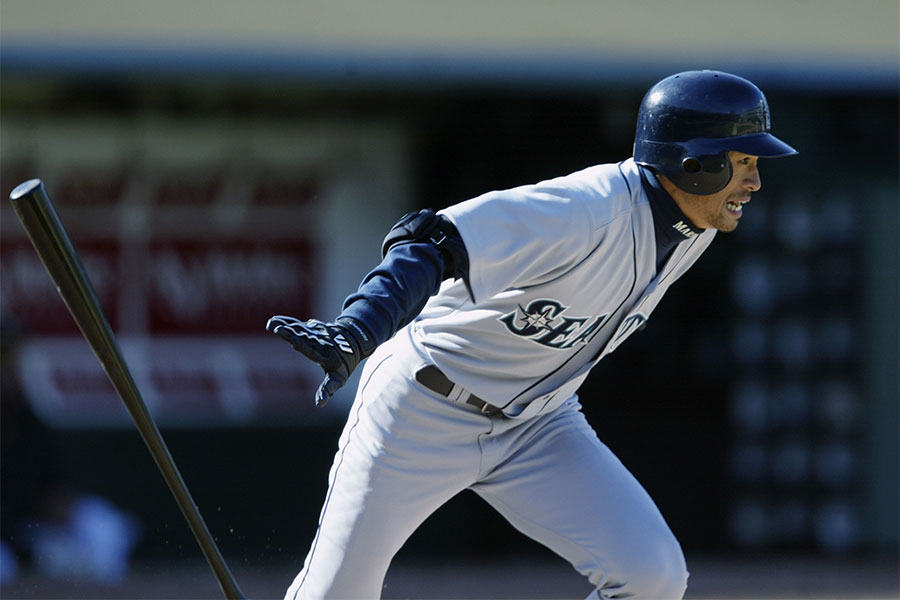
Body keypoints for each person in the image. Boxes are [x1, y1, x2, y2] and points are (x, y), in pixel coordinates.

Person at [266, 70, 797, 600]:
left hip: (541, 424)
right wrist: (358, 329)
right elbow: (430, 240)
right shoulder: (584, 210)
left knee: (652, 577)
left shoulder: (692, 228)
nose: (753, 182)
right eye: (743, 163)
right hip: (422, 406)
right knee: (334, 595)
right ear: (693, 164)